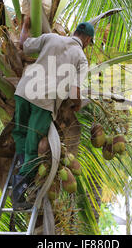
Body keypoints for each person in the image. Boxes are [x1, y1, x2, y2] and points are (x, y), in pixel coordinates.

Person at [11, 16, 94, 210]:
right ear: (88, 41)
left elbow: (24, 45)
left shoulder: (52, 37)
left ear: (75, 33)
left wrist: (25, 26)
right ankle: (20, 189)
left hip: (23, 92)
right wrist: (77, 105)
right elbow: (75, 90)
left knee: (20, 133)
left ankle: (19, 171)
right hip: (44, 101)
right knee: (33, 145)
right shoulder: (81, 58)